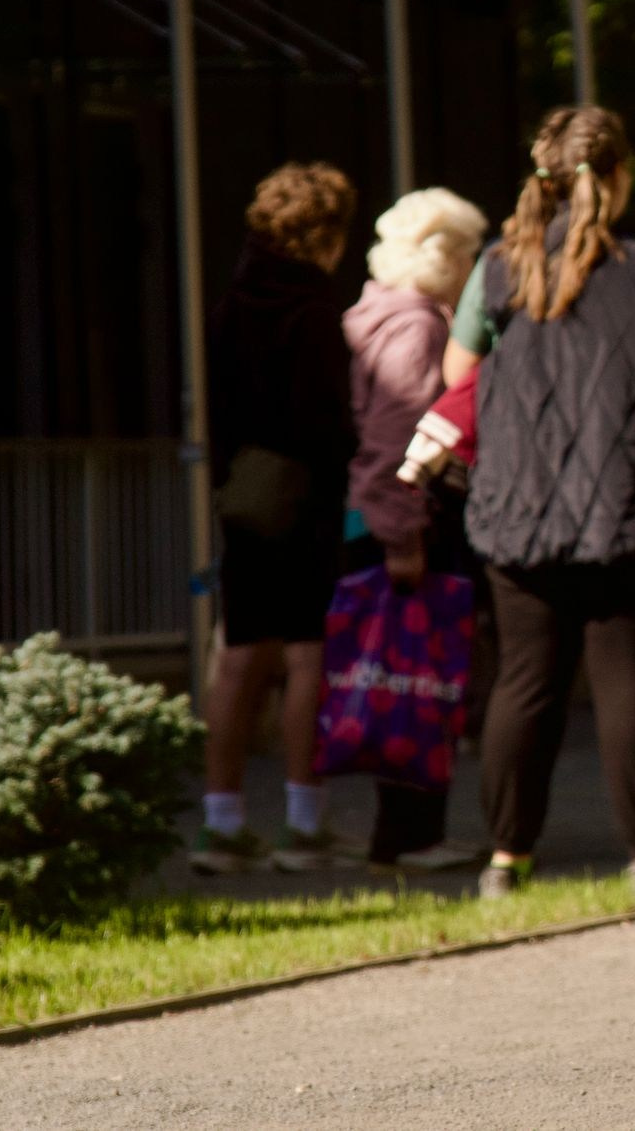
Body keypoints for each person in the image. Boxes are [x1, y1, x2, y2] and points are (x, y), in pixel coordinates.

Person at [446, 107, 635, 907]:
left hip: (517, 504)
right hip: (629, 504)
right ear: (620, 176)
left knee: (524, 680)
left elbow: (457, 371)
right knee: (631, 682)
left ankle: (506, 861)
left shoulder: (498, 266)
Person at [193, 164, 359, 875]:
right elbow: (326, 419)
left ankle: (221, 820)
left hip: (244, 494)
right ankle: (304, 820)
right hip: (306, 495)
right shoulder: (313, 310)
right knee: (306, 654)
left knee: (237, 654)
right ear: (324, 234)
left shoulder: (232, 302)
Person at [342, 187, 490, 871]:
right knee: (418, 679)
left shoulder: (372, 313)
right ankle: (412, 835)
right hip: (406, 525)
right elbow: (394, 438)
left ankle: (404, 832)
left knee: (398, 677)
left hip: (376, 520)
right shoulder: (419, 327)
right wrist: (404, 537)